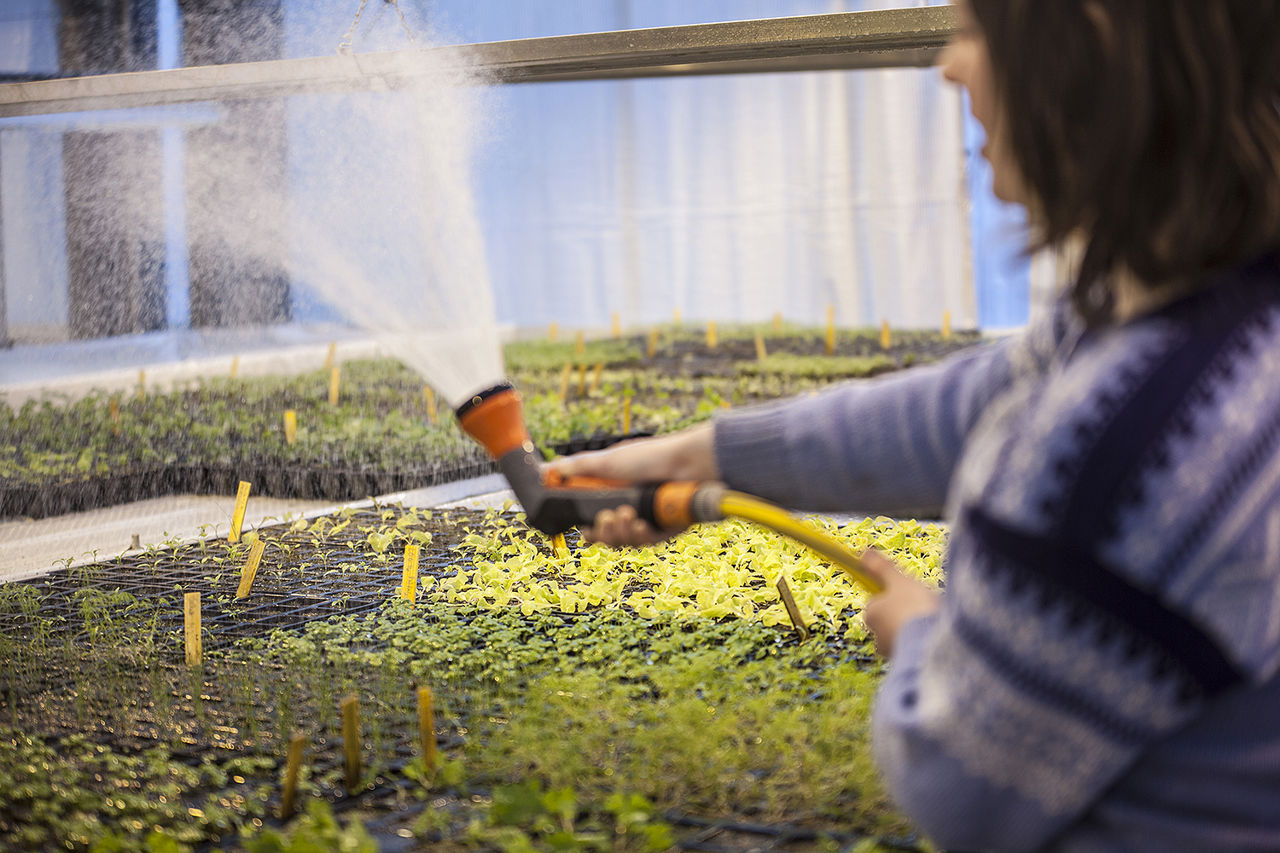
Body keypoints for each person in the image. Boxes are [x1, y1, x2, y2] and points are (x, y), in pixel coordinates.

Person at [547, 1, 1280, 850]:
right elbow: (965, 407)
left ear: (1089, 43)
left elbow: (962, 783)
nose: (950, 65)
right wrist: (698, 454)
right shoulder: (1210, 314)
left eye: (975, 30)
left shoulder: (1125, 459)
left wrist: (919, 635)